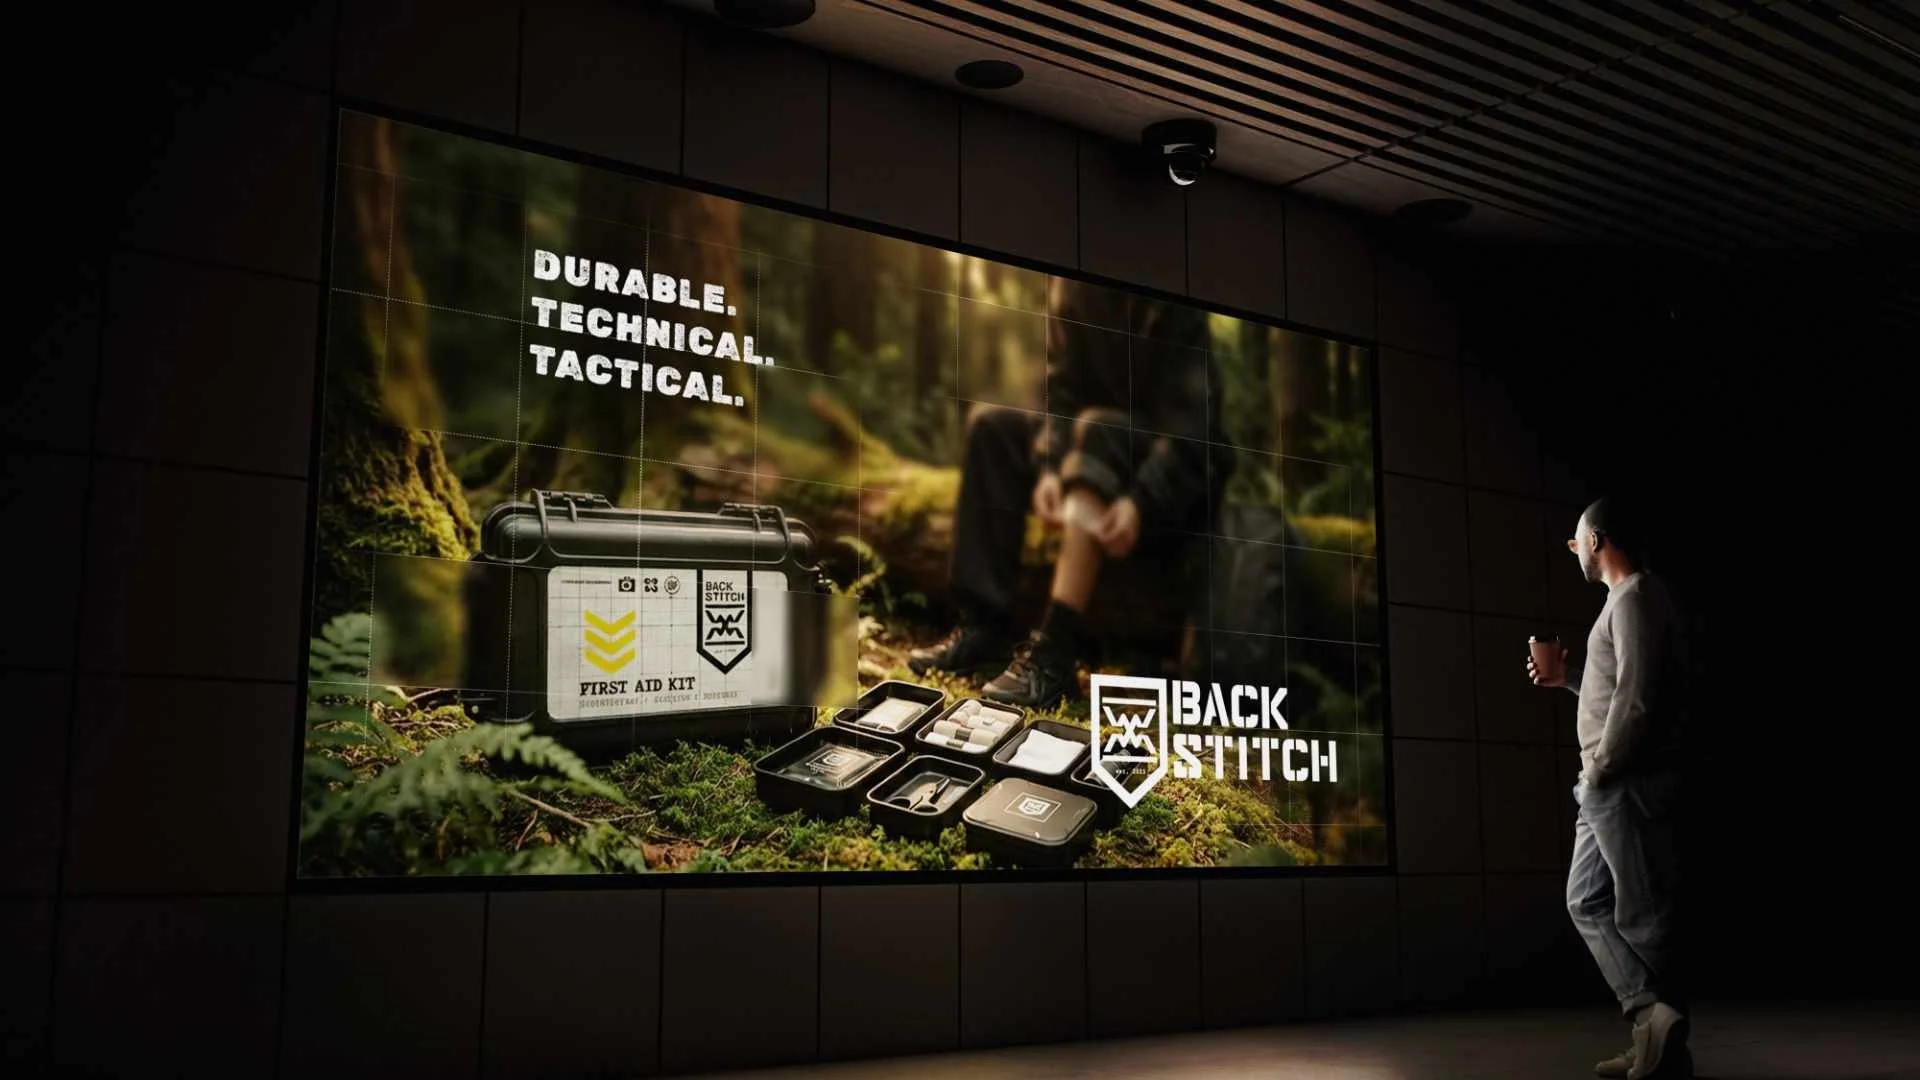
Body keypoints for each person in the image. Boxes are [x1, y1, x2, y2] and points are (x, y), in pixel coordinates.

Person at [908, 276, 1232, 707]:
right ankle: (983, 627)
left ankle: (1055, 654)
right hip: (1091, 447)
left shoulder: (1178, 304)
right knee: (992, 429)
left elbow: (1196, 435)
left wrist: (1142, 502)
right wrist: (1048, 469)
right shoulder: (1071, 287)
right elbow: (1060, 391)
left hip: (1169, 471)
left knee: (1098, 427)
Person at [1530, 496, 1691, 1080]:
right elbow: (1612, 690)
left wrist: (1600, 769)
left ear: (1597, 539)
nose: (1573, 549)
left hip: (1618, 780)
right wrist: (1569, 678)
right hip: (1604, 783)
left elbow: (1638, 697)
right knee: (1587, 901)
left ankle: (1661, 1028)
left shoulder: (1638, 596)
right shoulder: (1622, 604)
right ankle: (1652, 1025)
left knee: (1641, 913)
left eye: (1578, 540)